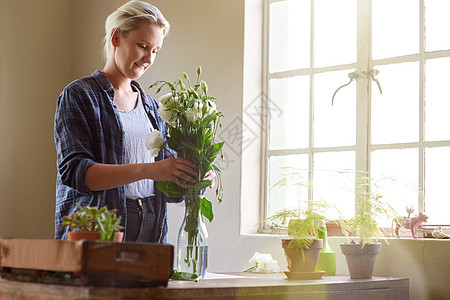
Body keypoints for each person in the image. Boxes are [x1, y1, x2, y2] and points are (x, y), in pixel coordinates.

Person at [54, 0, 202, 243]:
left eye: (155, 51)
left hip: (152, 227)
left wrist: (194, 177)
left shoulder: (153, 108)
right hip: (100, 228)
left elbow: (169, 190)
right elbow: (78, 173)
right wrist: (149, 170)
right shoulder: (79, 95)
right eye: (143, 46)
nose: (149, 58)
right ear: (116, 38)